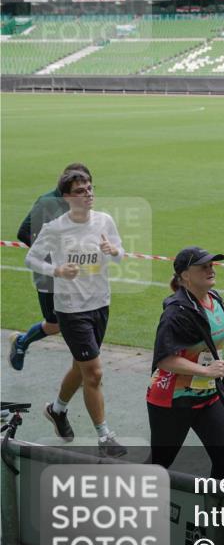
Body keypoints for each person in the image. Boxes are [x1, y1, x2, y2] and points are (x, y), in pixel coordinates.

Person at [23, 168, 127, 457]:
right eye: (81, 191)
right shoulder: (55, 228)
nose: (88, 194)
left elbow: (121, 253)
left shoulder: (104, 220)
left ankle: (57, 410)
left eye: (91, 188)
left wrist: (112, 250)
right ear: (67, 197)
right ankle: (105, 436)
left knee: (80, 369)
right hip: (71, 309)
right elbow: (30, 258)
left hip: (100, 304)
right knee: (93, 373)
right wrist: (55, 269)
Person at [147, 247, 224, 480]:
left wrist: (222, 365)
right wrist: (206, 370)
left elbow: (207, 346)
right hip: (172, 400)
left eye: (211, 265)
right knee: (160, 464)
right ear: (185, 275)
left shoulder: (215, 300)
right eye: (203, 266)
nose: (210, 269)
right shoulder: (176, 312)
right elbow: (165, 359)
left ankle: (216, 515)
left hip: (207, 395)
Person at [9, 163, 93, 371]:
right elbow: (23, 231)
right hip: (49, 276)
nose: (86, 192)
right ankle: (22, 342)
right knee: (56, 324)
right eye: (79, 187)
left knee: (76, 319)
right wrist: (50, 258)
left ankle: (84, 367)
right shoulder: (48, 203)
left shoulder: (79, 205)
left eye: (88, 187)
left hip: (72, 275)